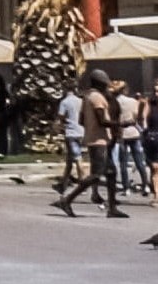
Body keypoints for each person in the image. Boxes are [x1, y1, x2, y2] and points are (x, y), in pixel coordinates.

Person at [53, 71, 126, 218]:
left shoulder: (86, 97)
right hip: (99, 141)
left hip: (94, 138)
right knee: (96, 175)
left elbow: (81, 120)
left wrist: (90, 126)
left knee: (111, 173)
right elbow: (102, 121)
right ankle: (67, 200)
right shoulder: (97, 97)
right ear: (100, 83)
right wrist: (122, 123)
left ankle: (112, 207)